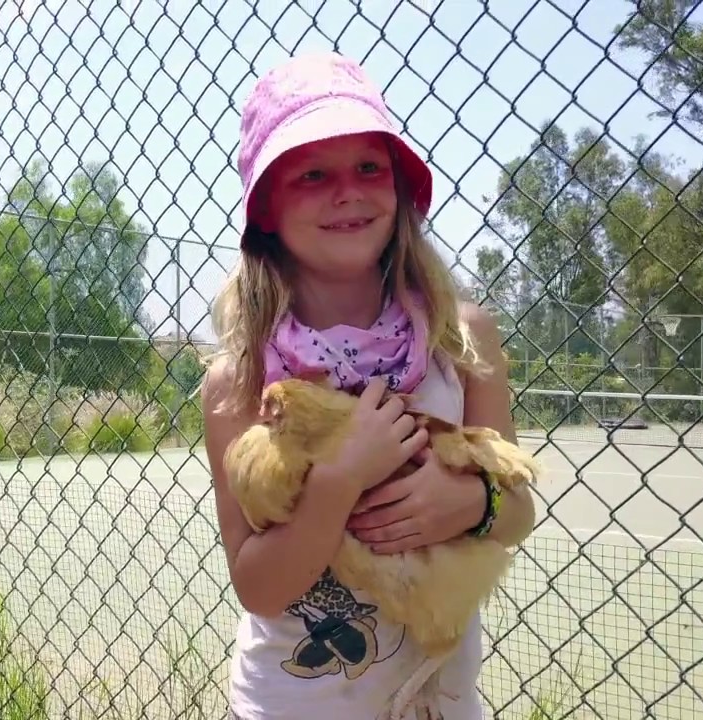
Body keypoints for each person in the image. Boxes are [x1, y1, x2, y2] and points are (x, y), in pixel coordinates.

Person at [200, 51, 537, 719]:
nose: (347, 192)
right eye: (313, 174)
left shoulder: (462, 339)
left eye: (368, 168)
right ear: (264, 207)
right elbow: (259, 587)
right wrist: (341, 478)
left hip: (434, 703)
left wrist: (471, 504)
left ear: (400, 189)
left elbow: (519, 511)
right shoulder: (240, 380)